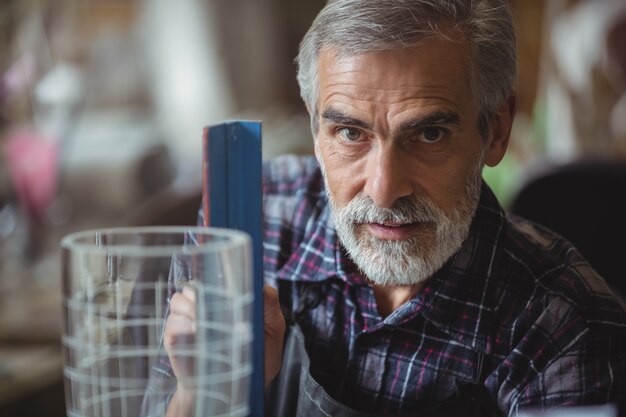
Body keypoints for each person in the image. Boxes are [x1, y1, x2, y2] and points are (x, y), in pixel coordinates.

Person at [159, 0, 626, 416]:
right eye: (349, 133)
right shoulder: (250, 220)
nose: (383, 191)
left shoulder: (565, 324)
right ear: (315, 132)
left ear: (496, 131)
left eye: (429, 134)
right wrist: (204, 397)